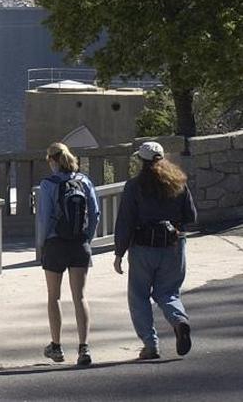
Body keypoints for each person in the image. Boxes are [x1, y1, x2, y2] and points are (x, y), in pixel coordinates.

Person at [114, 141, 198, 360]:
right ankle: (179, 321)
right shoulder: (178, 182)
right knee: (168, 291)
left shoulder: (134, 186)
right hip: (173, 244)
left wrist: (119, 253)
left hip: (143, 247)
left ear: (141, 161)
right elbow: (191, 216)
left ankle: (151, 345)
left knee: (139, 295)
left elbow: (125, 221)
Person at [37, 143, 100, 366]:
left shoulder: (48, 184)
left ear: (52, 160)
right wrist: (87, 239)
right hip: (79, 244)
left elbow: (44, 218)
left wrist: (41, 244)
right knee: (80, 296)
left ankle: (56, 347)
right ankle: (84, 348)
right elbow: (95, 214)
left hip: (55, 244)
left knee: (54, 296)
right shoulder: (85, 181)